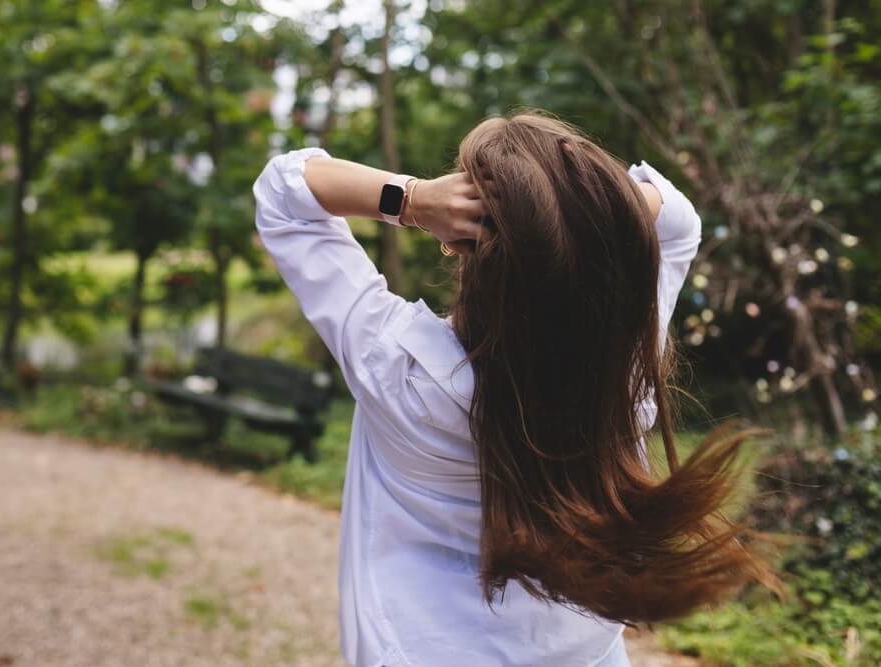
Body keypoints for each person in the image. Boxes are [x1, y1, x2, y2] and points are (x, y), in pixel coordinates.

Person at [252, 111, 773, 667]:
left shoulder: (403, 372)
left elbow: (286, 190)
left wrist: (413, 199)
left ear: (460, 242)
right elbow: (678, 220)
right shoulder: (620, 377)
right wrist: (583, 212)